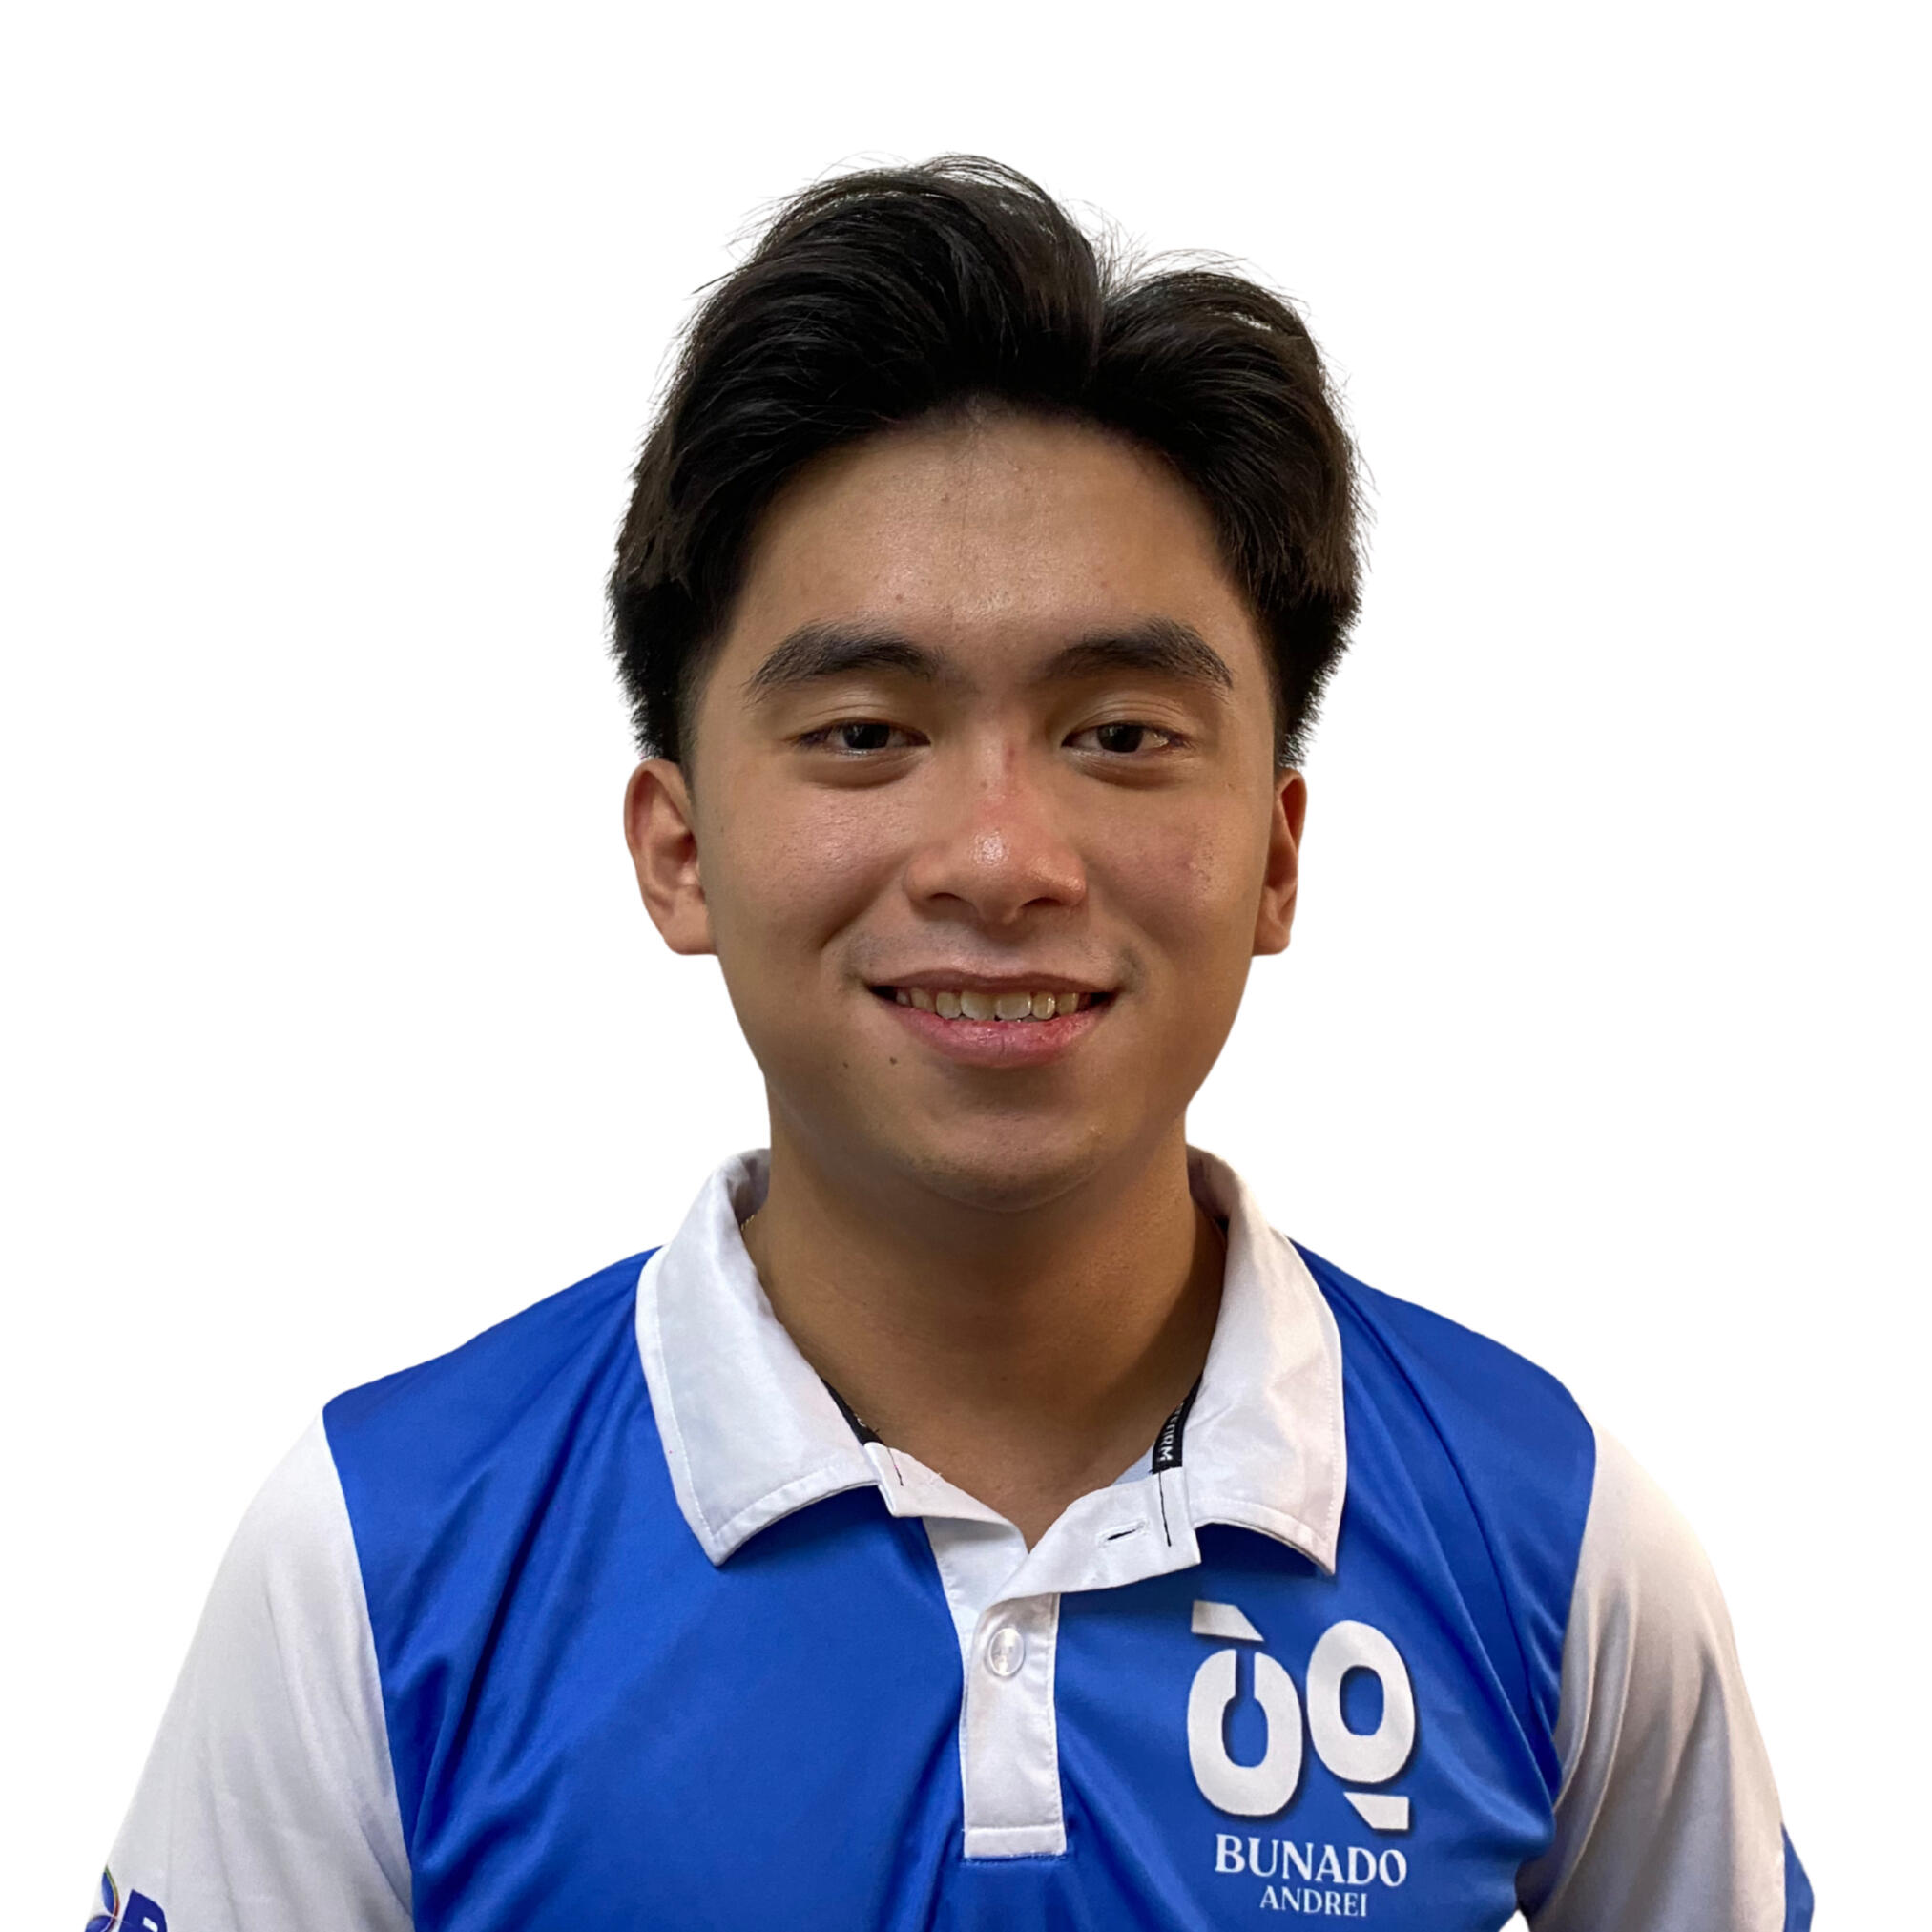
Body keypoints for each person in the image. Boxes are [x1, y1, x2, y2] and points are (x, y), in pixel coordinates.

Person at [87, 156, 1811, 1932]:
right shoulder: (381, 1558)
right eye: (863, 731)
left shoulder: (1552, 1539)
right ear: (678, 849)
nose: (999, 857)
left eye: (1120, 732)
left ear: (1276, 855)